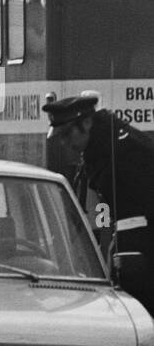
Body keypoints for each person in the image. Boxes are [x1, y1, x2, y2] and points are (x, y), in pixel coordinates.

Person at [45, 93, 154, 314]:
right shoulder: (100, 149)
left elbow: (121, 216)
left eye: (67, 134)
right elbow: (103, 207)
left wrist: (108, 249)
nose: (64, 143)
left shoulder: (122, 152)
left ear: (86, 123)